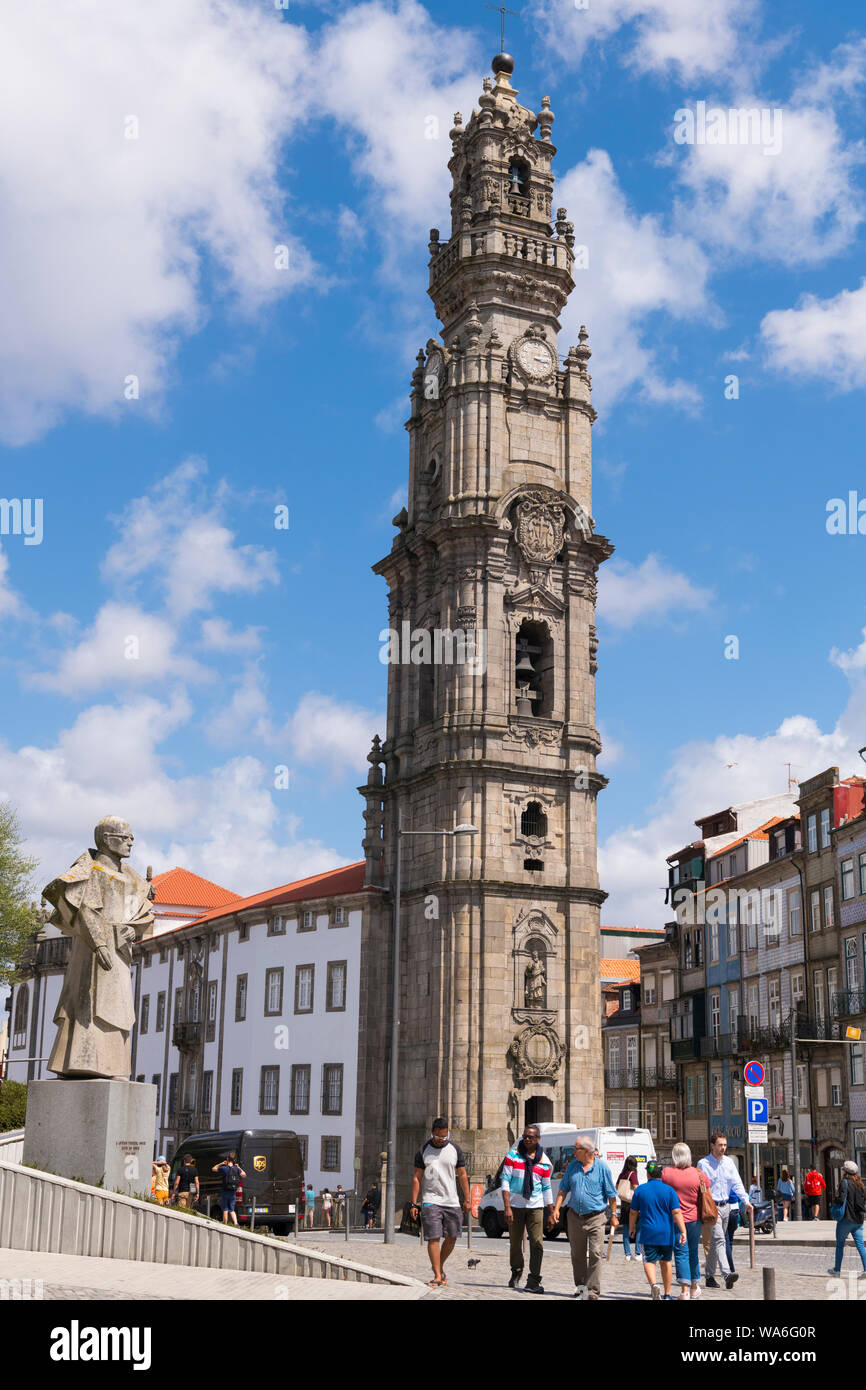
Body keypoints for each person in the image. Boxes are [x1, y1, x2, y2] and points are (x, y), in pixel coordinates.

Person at [551, 1134, 618, 1300]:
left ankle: (593, 1291)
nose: (573, 1151)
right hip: (574, 1217)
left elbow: (611, 1195)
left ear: (587, 1151)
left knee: (595, 1253)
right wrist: (557, 1209)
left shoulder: (602, 1168)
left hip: (596, 1217)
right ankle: (581, 1288)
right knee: (577, 1255)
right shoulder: (572, 1167)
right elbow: (563, 1190)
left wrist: (614, 1214)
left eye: (576, 1149)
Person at [409, 1119, 471, 1289]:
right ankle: (437, 1275)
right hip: (430, 1200)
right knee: (433, 1237)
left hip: (451, 1200)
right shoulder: (423, 1150)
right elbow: (416, 1177)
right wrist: (414, 1204)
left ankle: (438, 1266)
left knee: (451, 1238)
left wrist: (468, 1198)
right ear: (433, 1132)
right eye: (438, 1136)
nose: (442, 1139)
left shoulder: (454, 1150)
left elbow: (463, 1175)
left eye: (445, 1136)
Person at [499, 1124, 555, 1293]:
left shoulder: (544, 1161)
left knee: (537, 1243)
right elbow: (505, 1181)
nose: (527, 1139)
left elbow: (546, 1188)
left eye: (530, 1137)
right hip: (515, 1206)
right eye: (525, 1136)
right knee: (515, 1243)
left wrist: (551, 1212)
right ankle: (516, 1272)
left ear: (538, 1139)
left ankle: (534, 1280)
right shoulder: (513, 1155)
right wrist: (507, 1207)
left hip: (535, 1206)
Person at [698, 1132, 752, 1291]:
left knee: (715, 1243)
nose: (723, 1148)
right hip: (711, 1207)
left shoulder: (729, 1162)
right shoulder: (703, 1164)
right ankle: (727, 1274)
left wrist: (746, 1202)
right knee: (720, 1239)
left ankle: (708, 1276)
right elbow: (700, 1187)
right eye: (720, 1145)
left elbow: (737, 1183)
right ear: (712, 1146)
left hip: (726, 1207)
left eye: (725, 1145)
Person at [662, 1142, 712, 1300]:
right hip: (694, 1219)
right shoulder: (698, 1173)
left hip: (676, 1220)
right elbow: (708, 1191)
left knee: (681, 1253)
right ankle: (694, 1287)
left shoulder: (666, 1173)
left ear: (674, 1156)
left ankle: (684, 1291)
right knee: (693, 1253)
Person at [630, 1160, 687, 1300]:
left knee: (649, 1261)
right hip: (666, 1233)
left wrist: (631, 1227)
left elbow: (633, 1212)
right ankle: (667, 1294)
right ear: (661, 1173)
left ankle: (654, 1285)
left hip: (648, 1232)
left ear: (647, 1173)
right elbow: (677, 1212)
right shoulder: (669, 1190)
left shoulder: (640, 1190)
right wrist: (683, 1231)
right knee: (666, 1261)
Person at [828, 1160, 866, 1277]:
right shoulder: (861, 1184)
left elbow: (840, 1199)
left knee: (840, 1244)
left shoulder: (844, 1182)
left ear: (845, 1172)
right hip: (858, 1220)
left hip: (846, 1219)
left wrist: (835, 1200)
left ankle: (837, 1270)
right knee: (860, 1245)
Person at [615, 1157, 640, 1261]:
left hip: (624, 1203)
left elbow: (616, 1187)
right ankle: (638, 1252)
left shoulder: (622, 1174)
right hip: (633, 1203)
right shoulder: (633, 1174)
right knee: (638, 1227)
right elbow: (636, 1188)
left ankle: (627, 1253)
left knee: (626, 1228)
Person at [212, 1150, 245, 1226]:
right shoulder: (236, 1169)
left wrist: (221, 1163)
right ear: (234, 1160)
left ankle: (225, 1224)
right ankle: (236, 1223)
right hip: (233, 1191)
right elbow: (244, 1175)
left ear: (227, 1159)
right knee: (232, 1209)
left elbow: (213, 1169)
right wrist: (239, 1167)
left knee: (225, 1209)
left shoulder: (224, 1168)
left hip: (225, 1191)